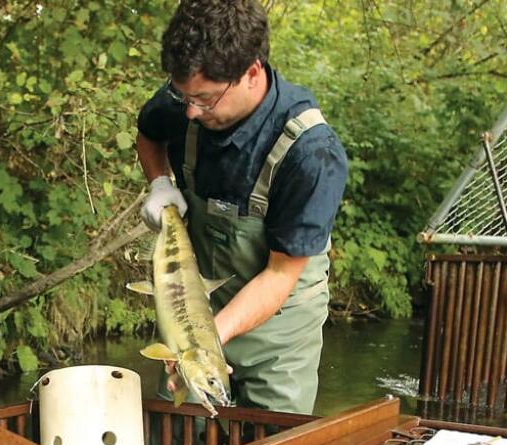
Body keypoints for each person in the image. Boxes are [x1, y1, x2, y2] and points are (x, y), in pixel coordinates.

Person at [136, 0, 348, 415]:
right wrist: (160, 184)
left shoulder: (312, 154)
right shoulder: (187, 98)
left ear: (251, 73)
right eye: (184, 97)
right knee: (174, 439)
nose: (192, 112)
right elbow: (149, 134)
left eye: (205, 100)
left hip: (280, 329)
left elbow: (280, 274)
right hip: (194, 303)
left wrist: (205, 345)